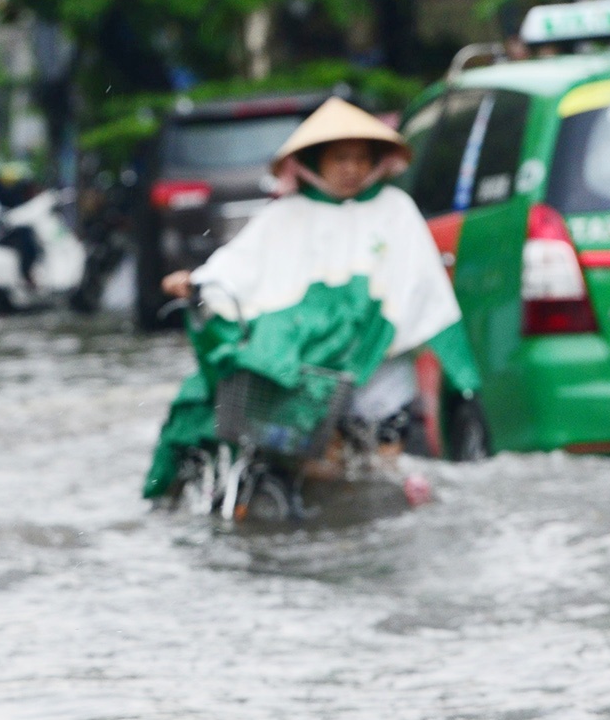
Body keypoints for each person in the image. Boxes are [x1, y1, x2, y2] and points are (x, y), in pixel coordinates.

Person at [143, 97, 481, 500]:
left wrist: (459, 373)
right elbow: (239, 264)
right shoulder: (287, 215)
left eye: (360, 158)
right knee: (318, 468)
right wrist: (196, 281)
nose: (351, 169)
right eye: (340, 158)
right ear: (315, 161)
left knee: (385, 466)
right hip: (312, 377)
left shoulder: (396, 211)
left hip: (381, 369)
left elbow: (424, 287)